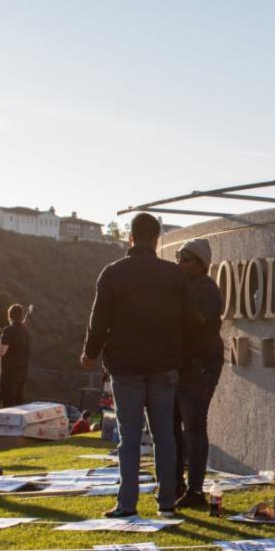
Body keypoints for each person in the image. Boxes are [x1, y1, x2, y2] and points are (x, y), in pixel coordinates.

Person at [81, 213, 192, 519]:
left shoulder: (113, 273)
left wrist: (90, 353)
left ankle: (127, 503)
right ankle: (167, 500)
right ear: (157, 240)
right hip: (165, 365)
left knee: (129, 437)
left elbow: (98, 321)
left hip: (125, 366)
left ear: (130, 238)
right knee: (164, 435)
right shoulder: (174, 275)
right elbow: (188, 320)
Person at [171, 238, 224, 509]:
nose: (179, 262)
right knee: (172, 428)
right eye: (178, 256)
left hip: (199, 366)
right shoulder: (184, 286)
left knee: (193, 428)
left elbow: (198, 319)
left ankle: (195, 490)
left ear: (201, 264)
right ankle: (175, 483)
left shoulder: (207, 289)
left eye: (185, 257)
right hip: (178, 366)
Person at [0, 304, 31, 407]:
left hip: (10, 374)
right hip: (23, 373)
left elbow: (1, 352)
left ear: (9, 316)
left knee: (8, 405)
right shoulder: (26, 332)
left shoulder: (9, 331)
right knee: (18, 405)